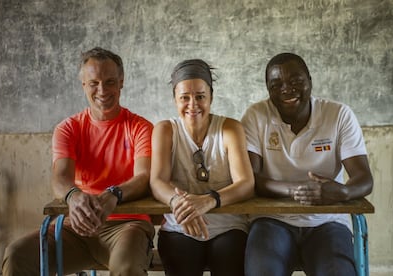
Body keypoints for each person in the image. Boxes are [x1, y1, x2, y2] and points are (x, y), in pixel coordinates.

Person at [2, 47, 155, 276]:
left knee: (127, 268)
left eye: (110, 82)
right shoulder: (68, 128)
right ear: (83, 84)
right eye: (94, 83)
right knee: (17, 255)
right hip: (75, 226)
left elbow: (143, 177)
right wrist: (74, 196)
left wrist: (114, 194)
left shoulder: (140, 127)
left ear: (121, 82)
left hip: (127, 226)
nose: (102, 90)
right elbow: (60, 177)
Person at [241, 52, 374, 276]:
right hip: (271, 219)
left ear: (310, 81)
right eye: (276, 84)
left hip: (328, 220)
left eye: (295, 81)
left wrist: (340, 192)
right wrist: (295, 191)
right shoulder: (256, 116)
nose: (286, 89)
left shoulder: (339, 115)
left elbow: (364, 178)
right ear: (268, 90)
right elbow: (251, 179)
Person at [150, 59, 254, 276]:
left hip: (229, 226)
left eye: (200, 97)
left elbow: (246, 184)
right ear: (174, 100)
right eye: (184, 98)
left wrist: (209, 201)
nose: (193, 104)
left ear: (211, 97)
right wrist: (179, 202)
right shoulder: (165, 130)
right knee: (181, 259)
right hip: (180, 225)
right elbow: (157, 181)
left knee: (229, 258)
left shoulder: (230, 128)